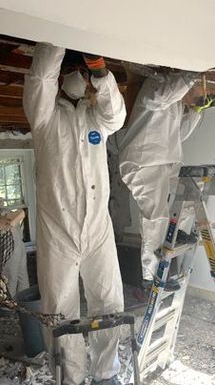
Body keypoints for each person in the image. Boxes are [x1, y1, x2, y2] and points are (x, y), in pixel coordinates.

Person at [23, 43, 126, 385]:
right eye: (76, 72)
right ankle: (71, 377)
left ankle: (106, 372)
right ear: (62, 77)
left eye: (82, 74)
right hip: (58, 231)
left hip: (98, 228)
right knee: (59, 309)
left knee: (108, 300)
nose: (79, 79)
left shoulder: (95, 118)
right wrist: (56, 40)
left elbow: (117, 116)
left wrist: (101, 72)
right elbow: (39, 81)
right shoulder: (45, 118)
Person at [119, 71, 209, 289]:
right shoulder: (156, 84)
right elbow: (157, 99)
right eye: (192, 92)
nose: (193, 95)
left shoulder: (176, 103)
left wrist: (196, 111)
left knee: (190, 199)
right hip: (143, 161)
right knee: (155, 216)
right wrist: (189, 78)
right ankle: (151, 276)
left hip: (165, 161)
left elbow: (178, 135)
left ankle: (177, 235)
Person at [0, 203, 29, 297]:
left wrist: (8, 225)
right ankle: (11, 309)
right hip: (10, 250)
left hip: (13, 249)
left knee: (15, 280)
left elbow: (21, 213)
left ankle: (21, 307)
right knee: (12, 281)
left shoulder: (4, 212)